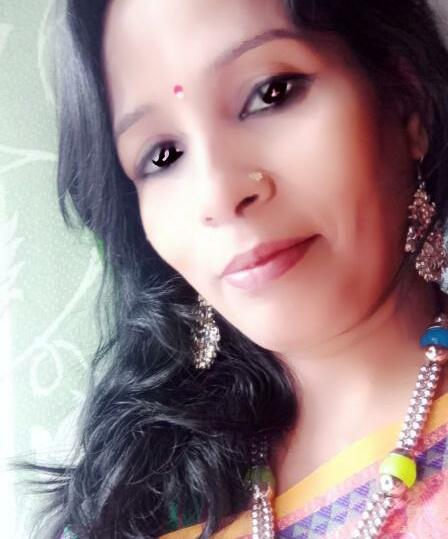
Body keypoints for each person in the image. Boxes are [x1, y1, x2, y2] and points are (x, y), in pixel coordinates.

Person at [22, 0, 448, 537]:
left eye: (272, 92)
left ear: (406, 100)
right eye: (163, 155)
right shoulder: (145, 506)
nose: (218, 194)